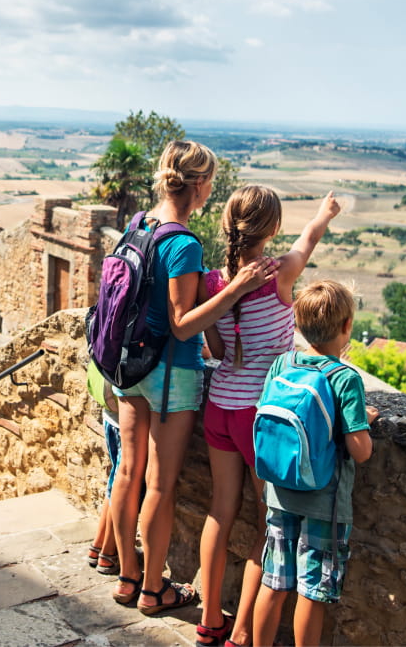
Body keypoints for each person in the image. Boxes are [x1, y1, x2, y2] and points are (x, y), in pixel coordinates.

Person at [109, 140, 280, 615]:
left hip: (129, 366)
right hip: (168, 375)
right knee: (160, 485)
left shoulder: (139, 223)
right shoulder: (183, 243)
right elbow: (184, 323)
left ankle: (127, 578)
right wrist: (239, 288)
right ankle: (151, 590)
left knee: (127, 470)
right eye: (210, 181)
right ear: (201, 185)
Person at [196, 187, 340, 646]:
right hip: (260, 416)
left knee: (220, 511)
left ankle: (208, 618)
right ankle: (241, 632)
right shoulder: (279, 274)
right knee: (267, 524)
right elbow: (309, 240)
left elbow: (216, 350)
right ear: (273, 229)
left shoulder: (214, 282)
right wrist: (324, 212)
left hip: (218, 406)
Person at [251, 280, 377, 647]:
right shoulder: (345, 378)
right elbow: (361, 450)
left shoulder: (282, 363)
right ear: (347, 326)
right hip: (325, 502)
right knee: (312, 590)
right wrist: (363, 420)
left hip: (279, 493)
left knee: (273, 582)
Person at [85, 360, 126, 576]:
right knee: (124, 477)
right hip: (123, 401)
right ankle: (109, 553)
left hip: (107, 393)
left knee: (117, 475)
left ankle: (99, 544)